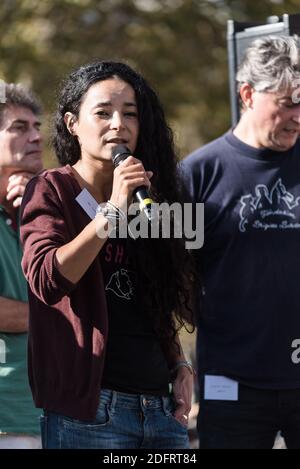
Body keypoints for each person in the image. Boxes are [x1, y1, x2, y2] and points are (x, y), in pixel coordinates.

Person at [20, 61, 195, 449]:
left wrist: (179, 363)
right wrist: (111, 211)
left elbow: (150, 298)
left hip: (160, 411)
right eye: (103, 112)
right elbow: (47, 280)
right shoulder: (50, 190)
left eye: (130, 114)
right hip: (91, 414)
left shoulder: (144, 197)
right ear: (72, 123)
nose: (119, 124)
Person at [181, 35, 300, 449]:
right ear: (247, 94)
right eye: (286, 102)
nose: (296, 116)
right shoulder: (198, 175)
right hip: (231, 385)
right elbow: (168, 279)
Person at [0, 83, 43, 449]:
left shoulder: (45, 203)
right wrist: (63, 315)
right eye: (19, 127)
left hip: (56, 412)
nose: (36, 136)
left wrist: (37, 205)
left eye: (37, 127)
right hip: (6, 418)